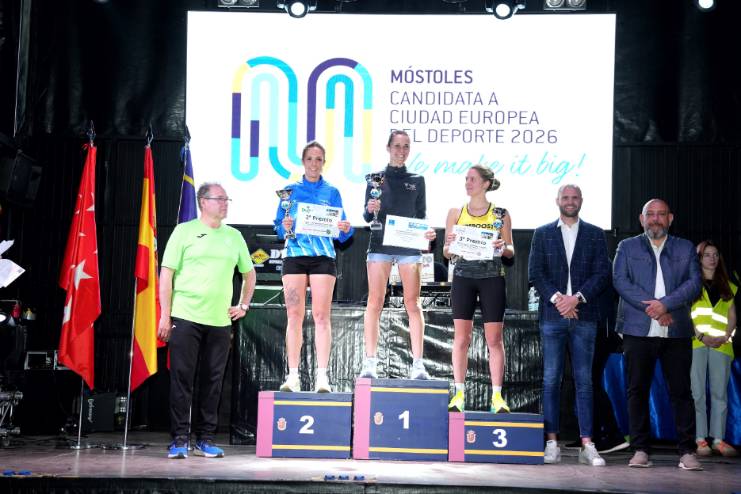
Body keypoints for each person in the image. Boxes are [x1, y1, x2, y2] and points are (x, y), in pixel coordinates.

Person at [158, 182, 256, 459]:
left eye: (227, 199)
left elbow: (249, 274)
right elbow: (166, 274)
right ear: (203, 201)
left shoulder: (234, 236)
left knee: (213, 381)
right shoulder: (184, 231)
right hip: (185, 316)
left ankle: (205, 439)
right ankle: (179, 439)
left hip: (220, 321)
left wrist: (243, 305)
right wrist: (165, 314)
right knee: (182, 379)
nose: (225, 203)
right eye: (219, 199)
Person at [613, 198, 703, 470]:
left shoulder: (685, 248)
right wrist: (654, 308)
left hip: (676, 330)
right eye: (650, 214)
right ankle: (640, 449)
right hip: (637, 330)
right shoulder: (627, 247)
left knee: (682, 392)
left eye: (661, 214)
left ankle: (687, 451)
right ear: (641, 219)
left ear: (670, 218)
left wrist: (666, 305)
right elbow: (620, 281)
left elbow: (694, 283)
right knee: (637, 391)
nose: (655, 219)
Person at [528, 184, 611, 467]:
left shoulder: (595, 234)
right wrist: (559, 301)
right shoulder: (542, 233)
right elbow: (535, 273)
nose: (570, 201)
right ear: (557, 201)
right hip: (553, 316)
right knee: (551, 380)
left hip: (584, 316)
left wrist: (577, 299)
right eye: (566, 197)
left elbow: (602, 273)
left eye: (575, 197)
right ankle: (552, 442)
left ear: (581, 201)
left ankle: (587, 444)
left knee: (584, 381)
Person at [274, 141, 353, 393]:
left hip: (322, 257)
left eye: (319, 159)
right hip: (295, 256)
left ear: (324, 163)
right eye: (310, 159)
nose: (314, 164)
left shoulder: (332, 192)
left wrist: (345, 229)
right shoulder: (289, 192)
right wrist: (284, 227)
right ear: (303, 161)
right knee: (294, 316)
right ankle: (293, 376)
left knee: (321, 316)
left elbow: (343, 233)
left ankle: (322, 377)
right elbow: (279, 227)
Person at [359, 130, 436, 380]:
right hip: (380, 245)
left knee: (413, 303)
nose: (401, 151)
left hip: (409, 248)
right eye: (397, 146)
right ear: (388, 147)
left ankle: (418, 365)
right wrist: (370, 209)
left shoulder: (418, 180)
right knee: (375, 301)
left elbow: (421, 216)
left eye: (406, 146)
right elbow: (367, 216)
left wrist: (427, 232)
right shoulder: (375, 179)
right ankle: (370, 363)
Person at [443, 165, 514, 414]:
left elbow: (510, 251)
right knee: (461, 338)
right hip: (463, 277)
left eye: (472, 179)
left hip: (492, 277)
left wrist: (502, 246)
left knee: (494, 339)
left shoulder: (500, 214)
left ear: (486, 184)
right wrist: (450, 245)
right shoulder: (455, 212)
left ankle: (497, 397)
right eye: (466, 179)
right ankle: (459, 395)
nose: (467, 183)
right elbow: (446, 252)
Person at [690, 240, 738, 457]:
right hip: (696, 343)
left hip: (722, 345)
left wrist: (725, 336)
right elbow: (686, 315)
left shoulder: (729, 285)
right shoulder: (690, 284)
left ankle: (718, 439)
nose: (712, 258)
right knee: (697, 392)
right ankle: (700, 439)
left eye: (716, 254)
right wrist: (701, 336)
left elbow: (732, 316)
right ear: (699, 258)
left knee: (720, 393)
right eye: (707, 254)